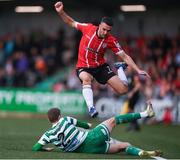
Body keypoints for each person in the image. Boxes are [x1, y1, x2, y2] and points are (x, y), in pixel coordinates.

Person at [54, 1, 150, 117]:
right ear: (100, 25)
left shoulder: (111, 40)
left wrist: (138, 70)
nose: (105, 32)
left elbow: (124, 56)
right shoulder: (88, 28)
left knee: (123, 90)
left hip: (100, 67)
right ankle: (91, 107)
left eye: (108, 30)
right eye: (104, 29)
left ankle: (120, 69)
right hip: (83, 67)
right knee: (86, 78)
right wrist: (61, 12)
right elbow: (71, 22)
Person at [32, 101, 162, 158]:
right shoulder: (65, 120)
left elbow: (35, 148)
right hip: (91, 138)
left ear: (49, 120)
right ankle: (146, 113)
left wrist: (45, 148)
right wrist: (88, 125)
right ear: (59, 116)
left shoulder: (48, 135)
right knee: (113, 120)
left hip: (87, 150)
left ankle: (140, 153)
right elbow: (85, 125)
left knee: (124, 146)